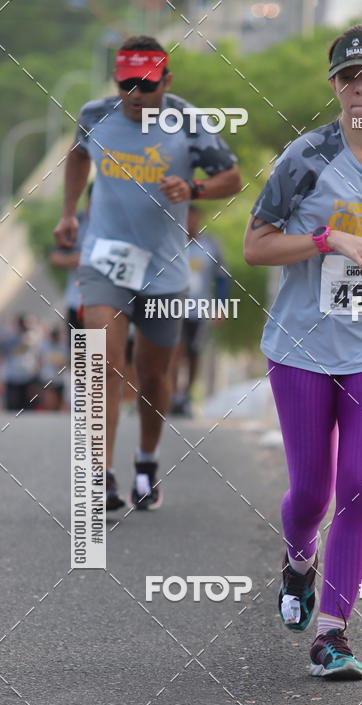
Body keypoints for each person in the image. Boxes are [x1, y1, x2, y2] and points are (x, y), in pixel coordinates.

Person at [244, 25, 362, 679]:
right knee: (311, 492)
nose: (360, 89)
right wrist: (330, 240)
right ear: (335, 87)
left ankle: (332, 634)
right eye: (348, 79)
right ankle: (298, 559)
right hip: (300, 348)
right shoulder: (305, 159)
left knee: (360, 487)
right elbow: (256, 246)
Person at [54, 35, 241, 511]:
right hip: (105, 258)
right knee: (103, 361)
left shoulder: (189, 122)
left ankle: (146, 461)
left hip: (164, 269)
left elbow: (232, 178)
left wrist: (194, 185)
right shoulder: (96, 114)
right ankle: (99, 475)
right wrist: (69, 214)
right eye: (126, 84)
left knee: (156, 378)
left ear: (167, 81)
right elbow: (77, 157)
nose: (134, 95)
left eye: (146, 85)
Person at [170, 205, 229, 416]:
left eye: (195, 218)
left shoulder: (210, 245)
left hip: (199, 309)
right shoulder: (172, 243)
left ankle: (185, 396)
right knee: (175, 349)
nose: (191, 223)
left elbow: (222, 278)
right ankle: (172, 394)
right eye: (187, 218)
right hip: (173, 308)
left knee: (194, 353)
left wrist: (220, 306)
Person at [48, 182, 92, 348]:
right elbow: (54, 256)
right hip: (77, 302)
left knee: (102, 360)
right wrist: (75, 259)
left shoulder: (116, 223)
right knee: (81, 360)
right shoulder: (75, 222)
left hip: (108, 301)